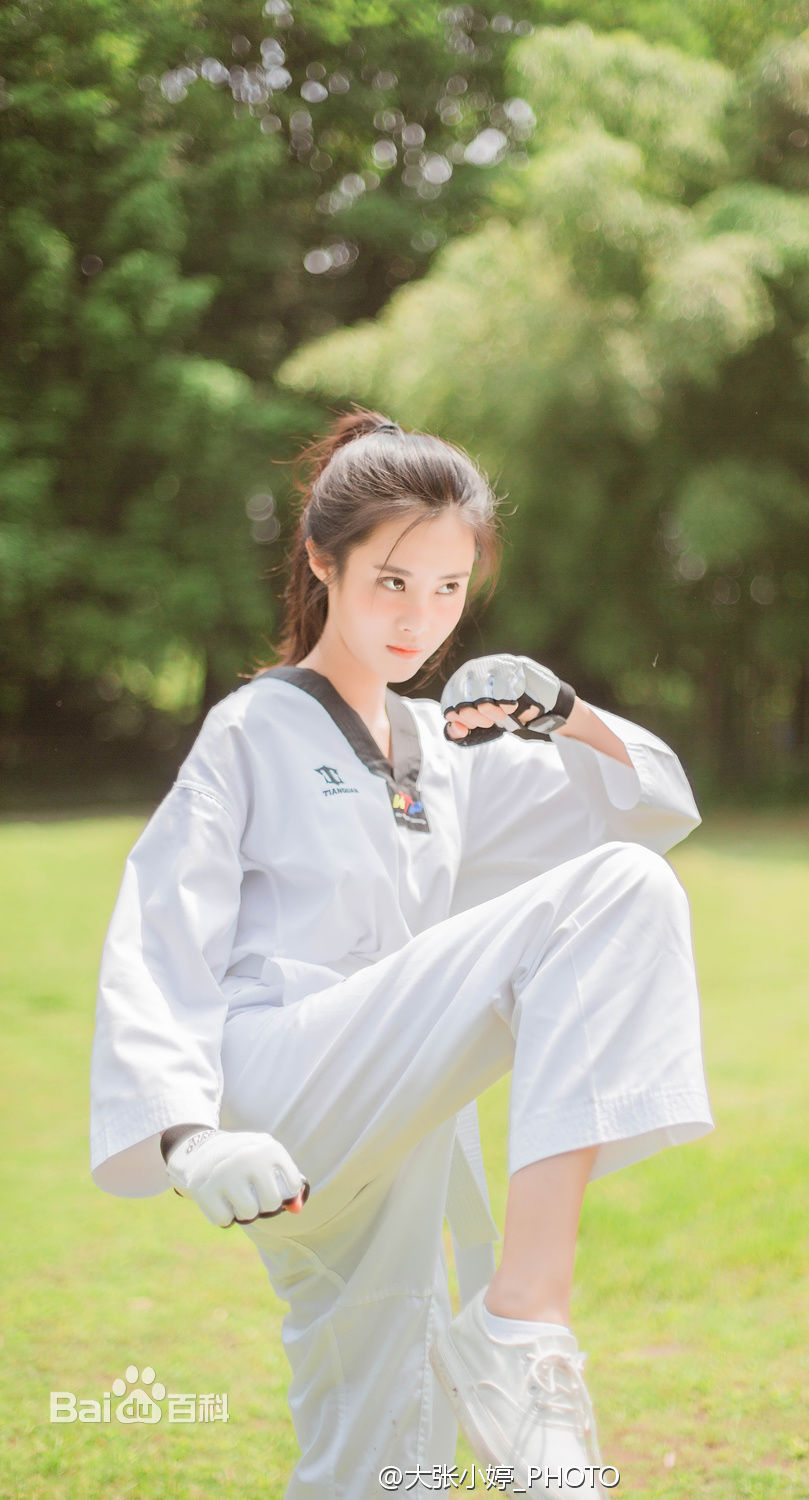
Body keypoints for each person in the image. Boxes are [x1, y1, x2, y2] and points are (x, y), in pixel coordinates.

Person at [90, 409, 713, 1499]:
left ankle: (494, 1354)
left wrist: (566, 715)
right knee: (611, 895)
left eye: (448, 588)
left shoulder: (440, 749)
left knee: (386, 1465)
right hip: (279, 1096)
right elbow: (157, 938)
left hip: (401, 1120)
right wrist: (187, 1141)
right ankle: (523, 1325)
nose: (420, 618)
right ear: (322, 561)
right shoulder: (254, 730)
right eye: (391, 582)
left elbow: (648, 806)